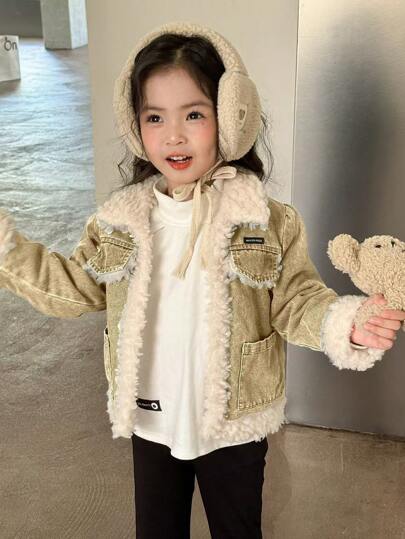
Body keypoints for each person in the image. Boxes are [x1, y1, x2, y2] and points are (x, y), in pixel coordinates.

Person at [0, 21, 404, 539]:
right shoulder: (120, 221)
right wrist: (9, 251)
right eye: (155, 117)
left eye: (194, 114)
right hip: (151, 418)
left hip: (233, 425)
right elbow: (73, 287)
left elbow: (297, 299)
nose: (173, 135)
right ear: (135, 126)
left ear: (231, 117)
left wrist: (347, 323)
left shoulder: (265, 221)